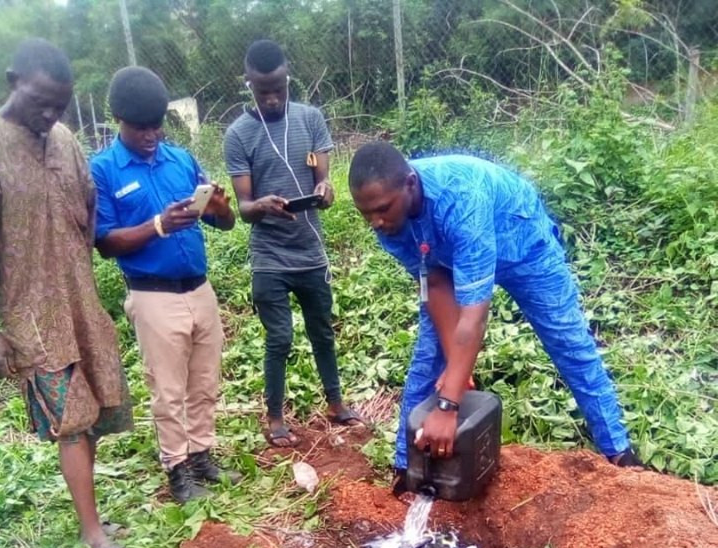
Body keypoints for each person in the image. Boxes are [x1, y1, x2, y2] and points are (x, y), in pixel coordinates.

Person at [348, 143, 643, 490]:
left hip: (523, 247)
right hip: (449, 262)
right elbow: (436, 284)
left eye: (382, 210)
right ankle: (408, 470)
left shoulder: (460, 198)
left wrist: (447, 405)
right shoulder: (389, 224)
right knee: (428, 362)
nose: (376, 222)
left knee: (570, 344)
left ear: (410, 184)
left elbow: (474, 316)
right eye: (365, 214)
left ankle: (618, 450)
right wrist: (457, 368)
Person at [0, 38, 133, 548]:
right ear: (13, 82)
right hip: (28, 312)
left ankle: (89, 515)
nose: (51, 113)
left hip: (79, 299)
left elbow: (88, 208)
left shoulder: (66, 141)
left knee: (92, 412)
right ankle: (93, 533)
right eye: (41, 100)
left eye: (61, 103)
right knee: (71, 420)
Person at [91, 67, 236, 504]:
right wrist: (157, 225)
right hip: (152, 294)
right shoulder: (103, 170)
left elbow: (223, 223)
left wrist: (221, 208)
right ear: (118, 118)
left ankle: (202, 454)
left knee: (205, 381)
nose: (151, 134)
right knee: (168, 390)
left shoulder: (181, 160)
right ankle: (177, 467)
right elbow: (105, 242)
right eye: (140, 127)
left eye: (156, 125)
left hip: (199, 288)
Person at [224, 39, 361, 447]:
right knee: (279, 338)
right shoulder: (239, 134)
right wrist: (260, 205)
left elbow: (326, 185)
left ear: (288, 79)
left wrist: (325, 190)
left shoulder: (310, 119)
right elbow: (244, 208)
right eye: (262, 90)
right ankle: (274, 416)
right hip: (270, 257)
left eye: (278, 89)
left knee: (322, 330)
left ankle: (336, 404)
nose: (271, 98)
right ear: (248, 84)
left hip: (310, 249)